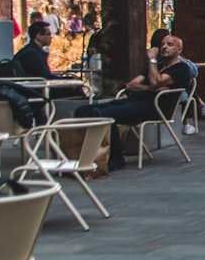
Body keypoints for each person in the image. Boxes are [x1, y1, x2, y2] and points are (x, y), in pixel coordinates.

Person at [75, 34, 195, 171]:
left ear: (179, 50)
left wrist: (152, 61)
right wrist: (150, 88)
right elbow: (131, 86)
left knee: (105, 116)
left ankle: (116, 158)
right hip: (133, 101)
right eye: (162, 44)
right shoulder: (156, 66)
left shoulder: (181, 69)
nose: (164, 47)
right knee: (83, 110)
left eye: (169, 44)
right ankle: (83, 154)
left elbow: (157, 81)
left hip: (155, 108)